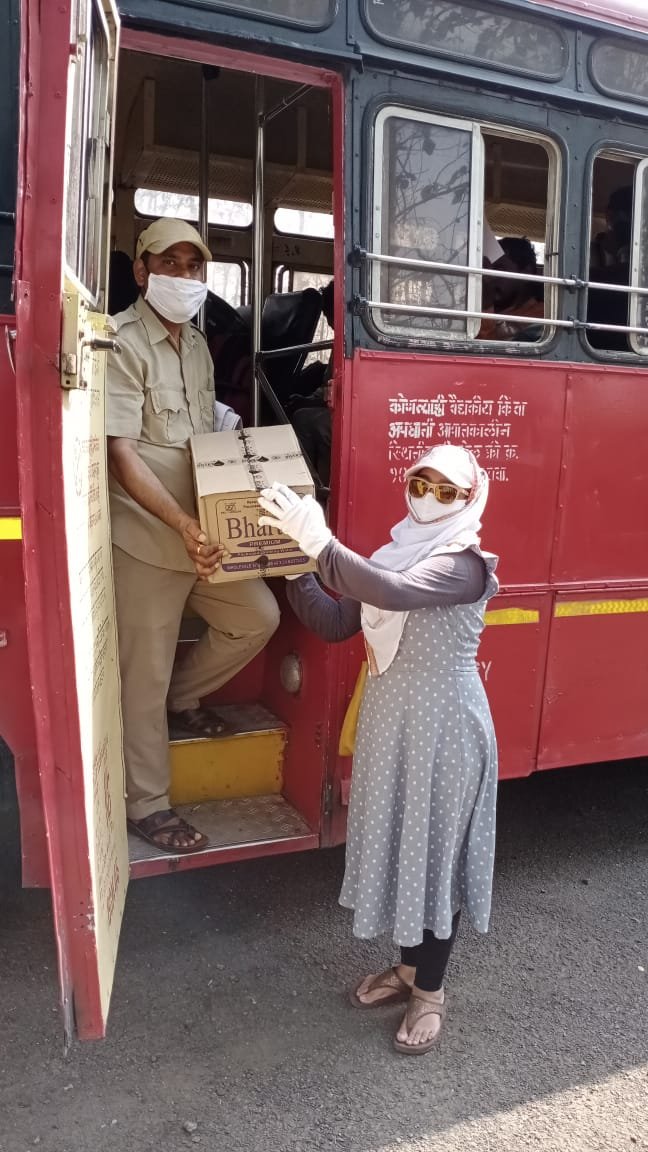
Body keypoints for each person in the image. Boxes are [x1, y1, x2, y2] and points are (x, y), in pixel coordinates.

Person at [257, 445, 499, 1054]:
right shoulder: (395, 554)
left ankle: (430, 993)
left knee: (436, 855)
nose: (430, 498)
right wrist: (296, 563)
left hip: (444, 729)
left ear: (469, 499)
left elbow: (390, 592)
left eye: (447, 491)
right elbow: (336, 621)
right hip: (393, 725)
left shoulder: (465, 563)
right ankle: (409, 969)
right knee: (405, 845)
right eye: (421, 484)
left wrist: (321, 543)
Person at [106, 218, 279, 853]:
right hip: (149, 539)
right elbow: (121, 454)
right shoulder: (120, 342)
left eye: (193, 266)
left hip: (205, 535)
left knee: (256, 617)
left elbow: (203, 435)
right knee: (141, 675)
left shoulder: (198, 346)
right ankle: (146, 805)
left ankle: (183, 698)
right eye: (169, 264)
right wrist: (181, 524)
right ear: (142, 271)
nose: (182, 276)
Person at [291, 280, 334, 487]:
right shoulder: (340, 343)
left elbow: (336, 391)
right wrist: (307, 399)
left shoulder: (350, 345)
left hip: (355, 415)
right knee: (300, 413)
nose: (329, 320)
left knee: (306, 420)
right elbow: (328, 385)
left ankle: (316, 487)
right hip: (334, 404)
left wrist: (310, 401)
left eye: (329, 314)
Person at [479, 236, 544, 341]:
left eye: (499, 269)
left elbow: (487, 345)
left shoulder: (539, 316)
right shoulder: (500, 309)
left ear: (526, 272)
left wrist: (486, 306)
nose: (491, 277)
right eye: (487, 270)